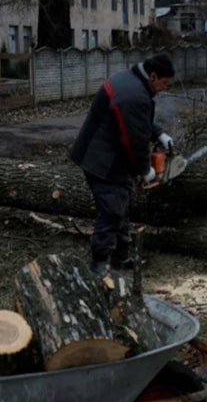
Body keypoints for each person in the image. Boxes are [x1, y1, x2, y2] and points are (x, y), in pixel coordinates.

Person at [70, 53, 176, 273]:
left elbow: (139, 122)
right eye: (164, 83)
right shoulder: (134, 95)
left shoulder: (132, 81)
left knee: (121, 205)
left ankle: (120, 258)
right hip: (102, 160)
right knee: (112, 212)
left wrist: (158, 134)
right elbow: (133, 139)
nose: (164, 88)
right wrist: (144, 169)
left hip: (108, 155)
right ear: (153, 76)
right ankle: (98, 266)